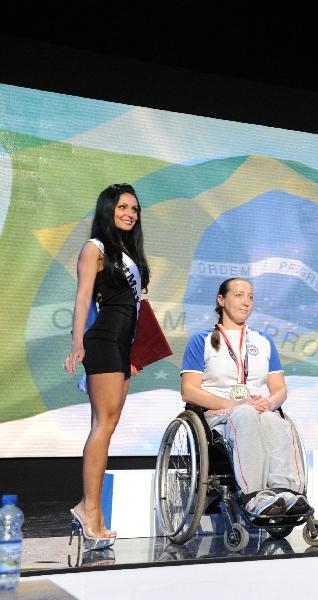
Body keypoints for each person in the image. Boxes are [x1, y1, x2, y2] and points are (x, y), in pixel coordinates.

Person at [65, 183, 151, 550]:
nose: (130, 213)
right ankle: (90, 511)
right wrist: (77, 343)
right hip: (103, 342)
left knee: (108, 425)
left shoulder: (127, 252)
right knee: (104, 424)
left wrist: (138, 349)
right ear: (108, 210)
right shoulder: (95, 248)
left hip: (123, 345)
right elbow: (83, 297)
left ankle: (93, 511)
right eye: (123, 207)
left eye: (134, 208)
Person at [180, 278, 310, 518]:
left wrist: (270, 403)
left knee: (273, 418)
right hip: (219, 415)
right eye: (239, 295)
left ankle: (286, 492)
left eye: (250, 297)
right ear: (221, 300)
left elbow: (280, 389)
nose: (246, 302)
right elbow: (189, 390)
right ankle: (254, 496)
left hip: (258, 410)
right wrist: (235, 405)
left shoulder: (263, 341)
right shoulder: (202, 340)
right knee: (246, 413)